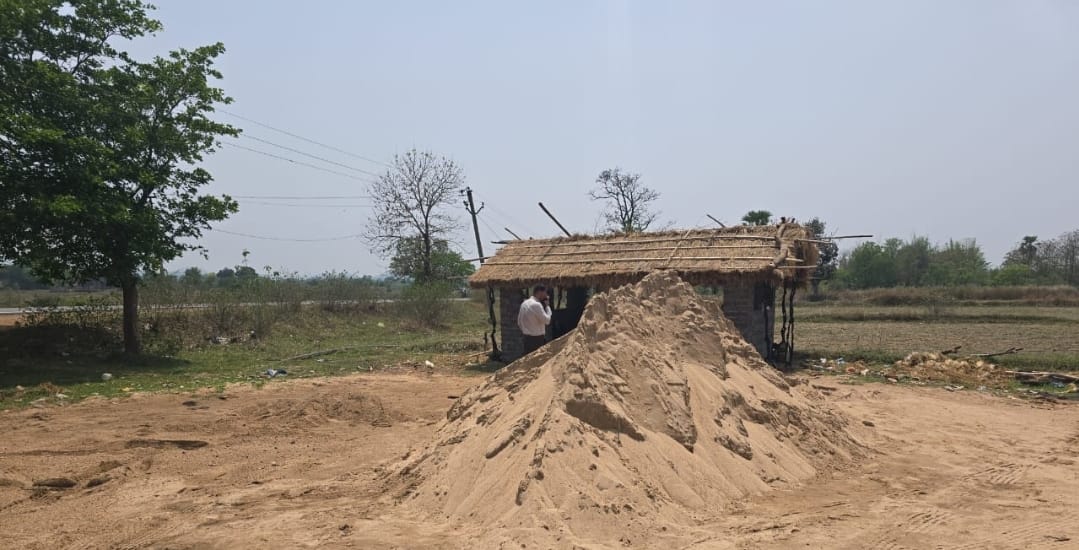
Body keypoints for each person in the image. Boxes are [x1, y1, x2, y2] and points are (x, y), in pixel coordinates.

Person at [517, 285, 552, 356]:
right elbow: (547, 321)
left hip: (527, 338)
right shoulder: (536, 305)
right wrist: (548, 307)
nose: (546, 295)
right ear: (540, 292)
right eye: (545, 292)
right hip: (537, 339)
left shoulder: (524, 303)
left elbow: (519, 322)